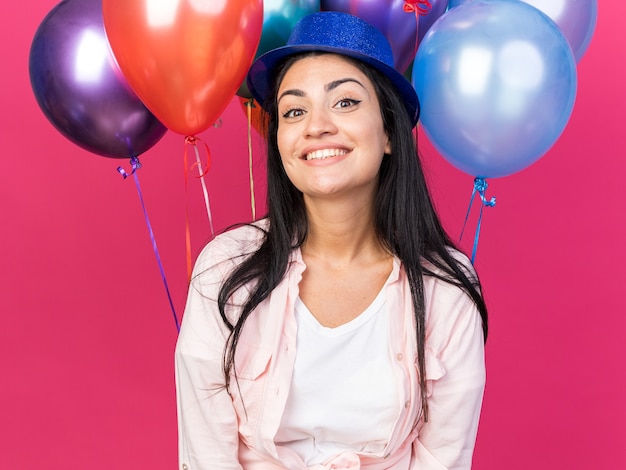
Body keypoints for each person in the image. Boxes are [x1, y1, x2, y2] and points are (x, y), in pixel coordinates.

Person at [175, 11, 488, 470]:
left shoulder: (447, 288)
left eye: (344, 102)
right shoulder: (225, 269)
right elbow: (205, 455)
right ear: (280, 142)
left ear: (389, 134)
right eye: (294, 110)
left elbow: (444, 458)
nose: (316, 126)